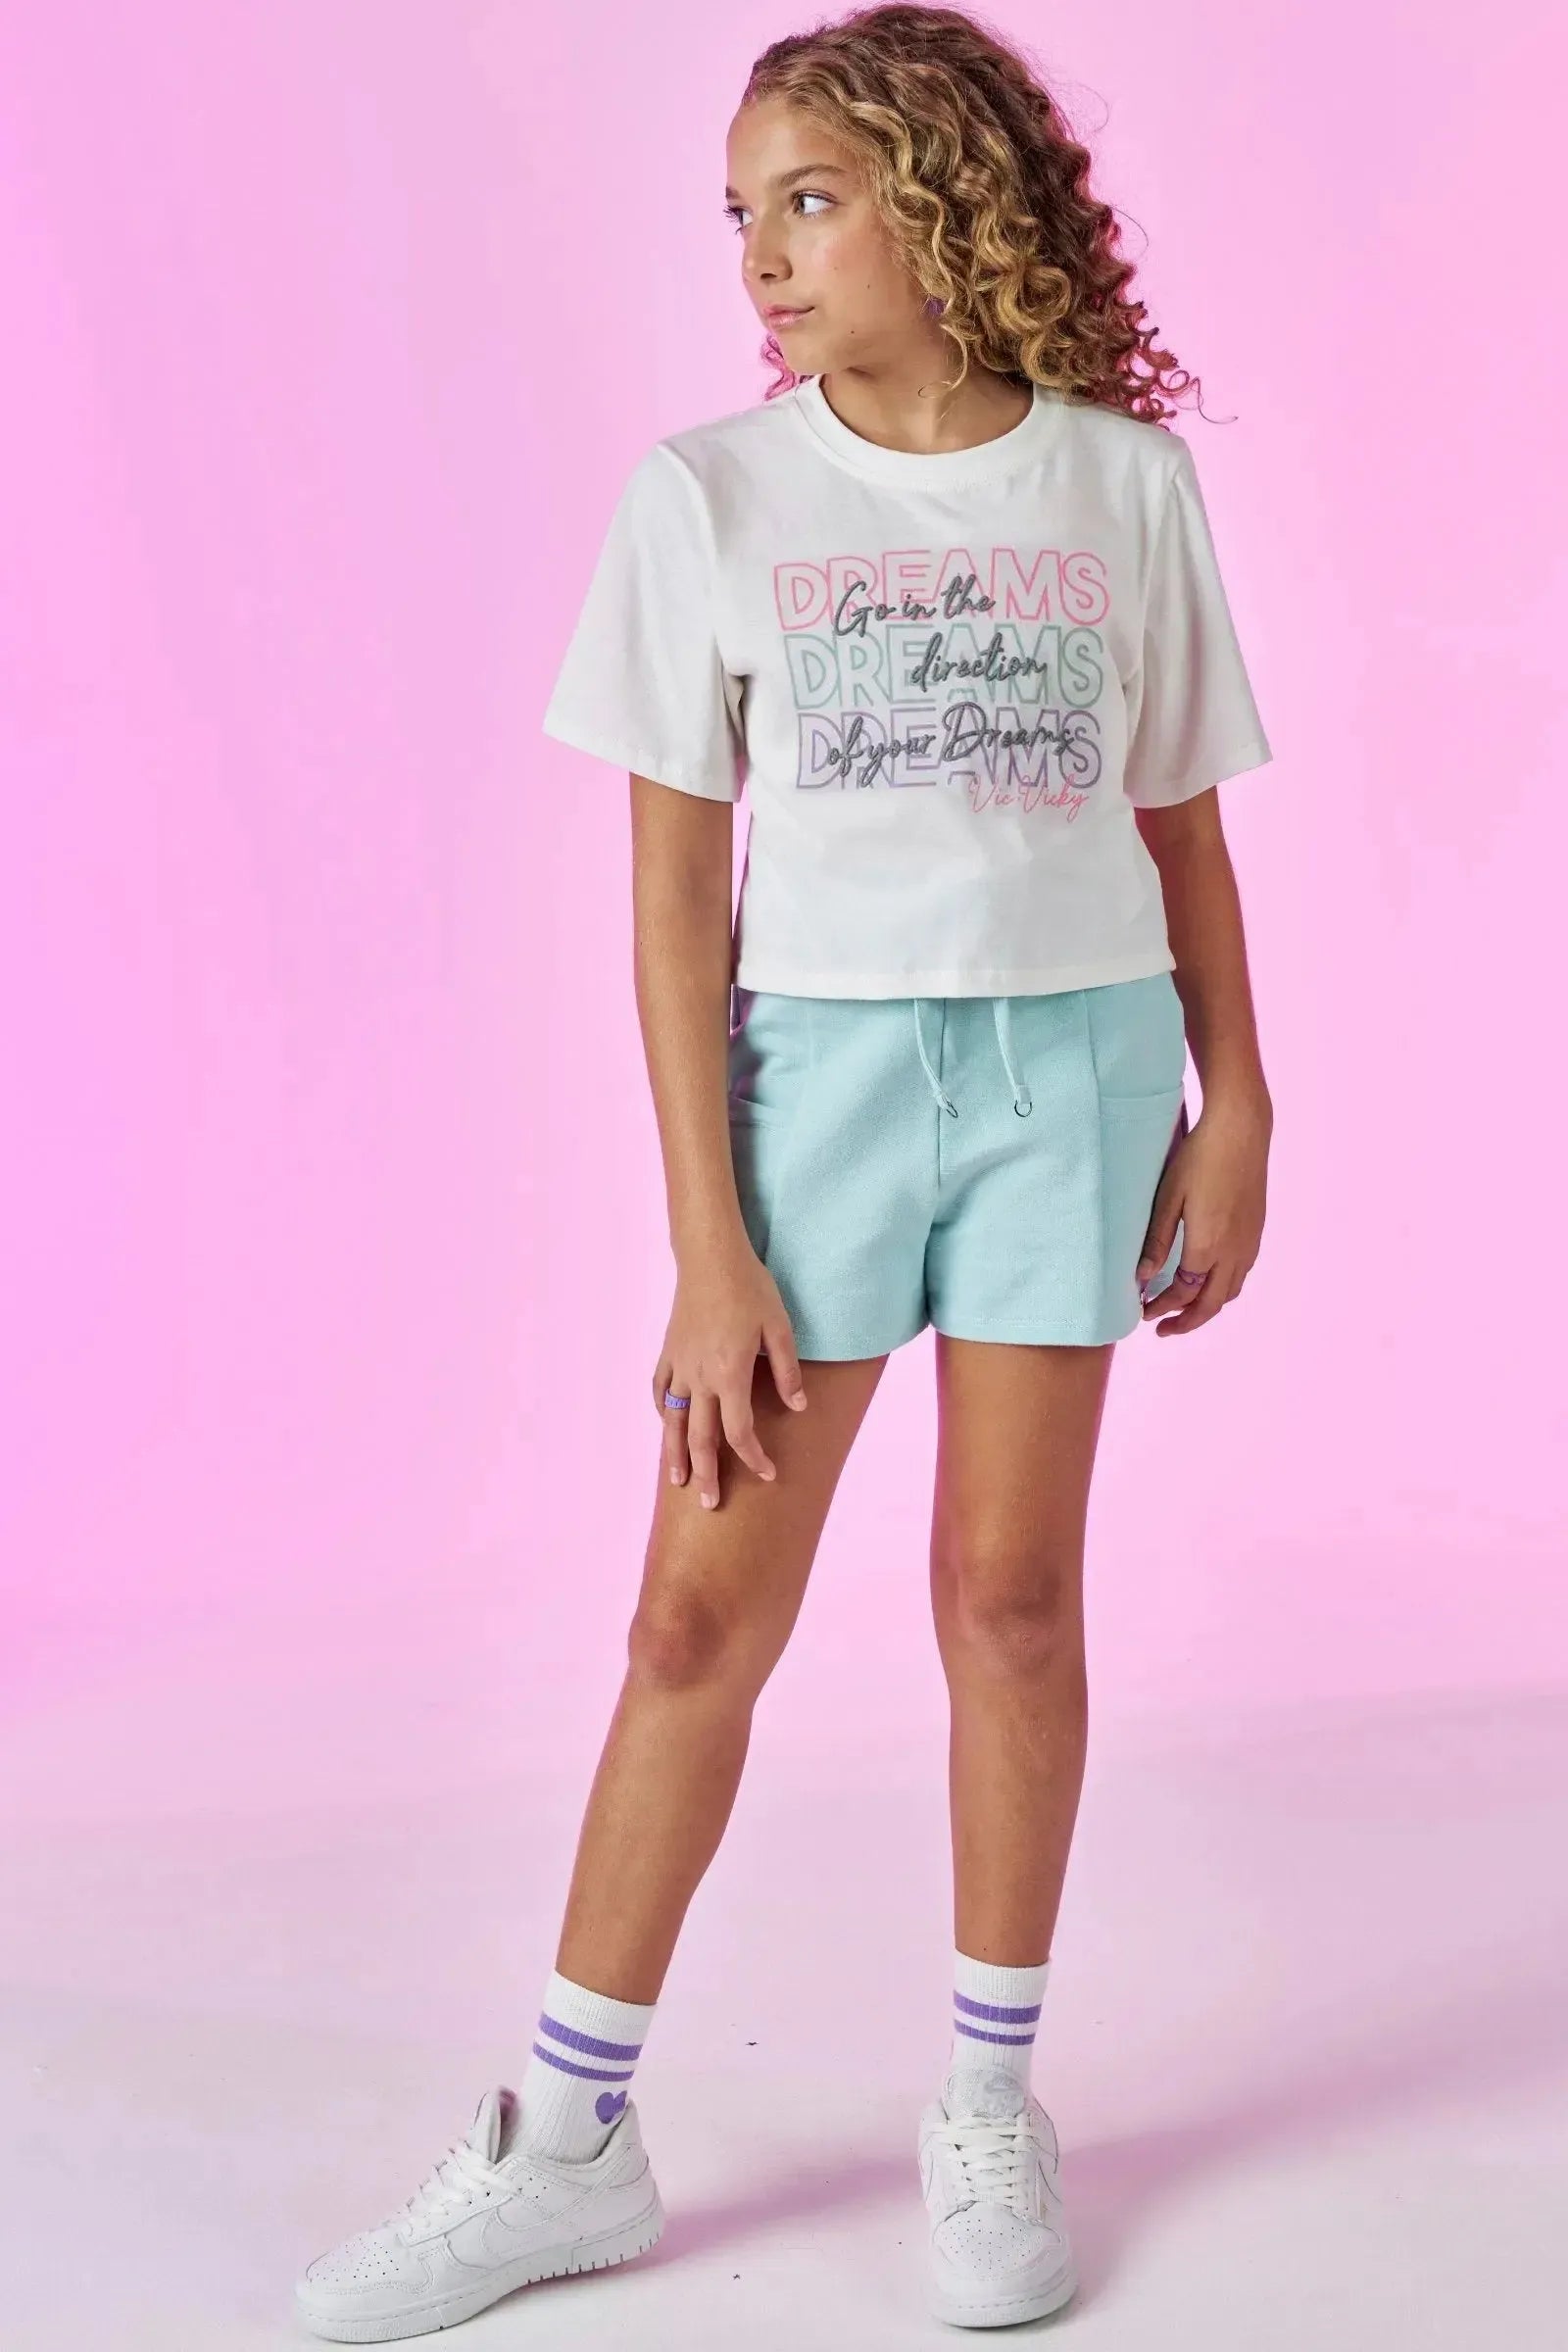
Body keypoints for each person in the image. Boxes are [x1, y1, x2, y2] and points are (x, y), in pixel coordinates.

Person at [294, 3, 1274, 2337]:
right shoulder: (708, 499)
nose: (760, 250)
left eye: (809, 199)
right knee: (689, 1624)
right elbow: (671, 899)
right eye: (740, 211)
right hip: (812, 1088)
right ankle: (566, 2139)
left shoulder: (1119, 487)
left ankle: (987, 2095)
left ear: (944, 202)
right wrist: (705, 1243)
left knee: (1007, 1600)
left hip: (1070, 1071)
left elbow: (1177, 826)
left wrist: (1235, 1097)